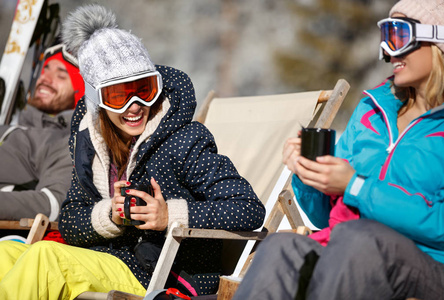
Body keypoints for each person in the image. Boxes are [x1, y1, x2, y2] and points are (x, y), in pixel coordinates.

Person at [0, 4, 265, 299]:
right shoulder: (91, 147)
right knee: (4, 252)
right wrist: (109, 216)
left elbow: (248, 209)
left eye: (144, 88)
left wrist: (170, 216)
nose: (135, 105)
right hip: (108, 258)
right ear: (97, 100)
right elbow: (72, 220)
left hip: (163, 274)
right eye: (118, 95)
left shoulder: (184, 140)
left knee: (45, 259)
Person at [233, 0, 444, 299]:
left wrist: (356, 186)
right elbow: (325, 219)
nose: (389, 50)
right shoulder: (372, 110)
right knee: (281, 248)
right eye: (385, 36)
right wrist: (310, 177)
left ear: (441, 41)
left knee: (359, 240)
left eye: (398, 34)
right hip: (345, 250)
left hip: (430, 265)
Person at [0, 43, 84, 222]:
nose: (45, 78)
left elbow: (52, 203)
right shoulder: (13, 125)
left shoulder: (66, 143)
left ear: (80, 91)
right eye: (45, 69)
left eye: (61, 75)